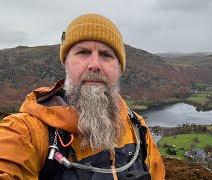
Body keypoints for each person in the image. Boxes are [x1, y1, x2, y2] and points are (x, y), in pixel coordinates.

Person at [0, 14, 165, 180]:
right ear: (66, 62)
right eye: (83, 52)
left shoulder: (136, 126)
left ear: (119, 67)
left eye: (106, 55)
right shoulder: (25, 131)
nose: (95, 65)